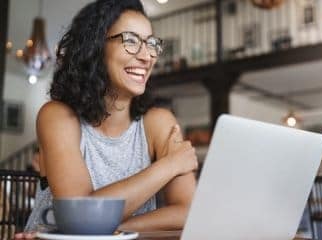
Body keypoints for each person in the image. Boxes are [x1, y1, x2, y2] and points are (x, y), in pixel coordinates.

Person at [15, 0, 198, 238]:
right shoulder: (58, 116)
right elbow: (80, 215)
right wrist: (170, 165)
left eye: (151, 43)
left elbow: (187, 212)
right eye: (131, 41)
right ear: (96, 47)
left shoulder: (158, 122)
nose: (146, 56)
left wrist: (113, 230)